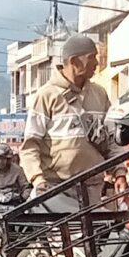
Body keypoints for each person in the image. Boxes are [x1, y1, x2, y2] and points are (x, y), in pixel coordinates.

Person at [22, 33, 112, 204]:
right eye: (92, 57)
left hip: (93, 189)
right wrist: (38, 179)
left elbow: (112, 138)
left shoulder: (100, 94)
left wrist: (119, 172)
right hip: (57, 190)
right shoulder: (46, 95)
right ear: (74, 62)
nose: (96, 63)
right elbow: (30, 146)